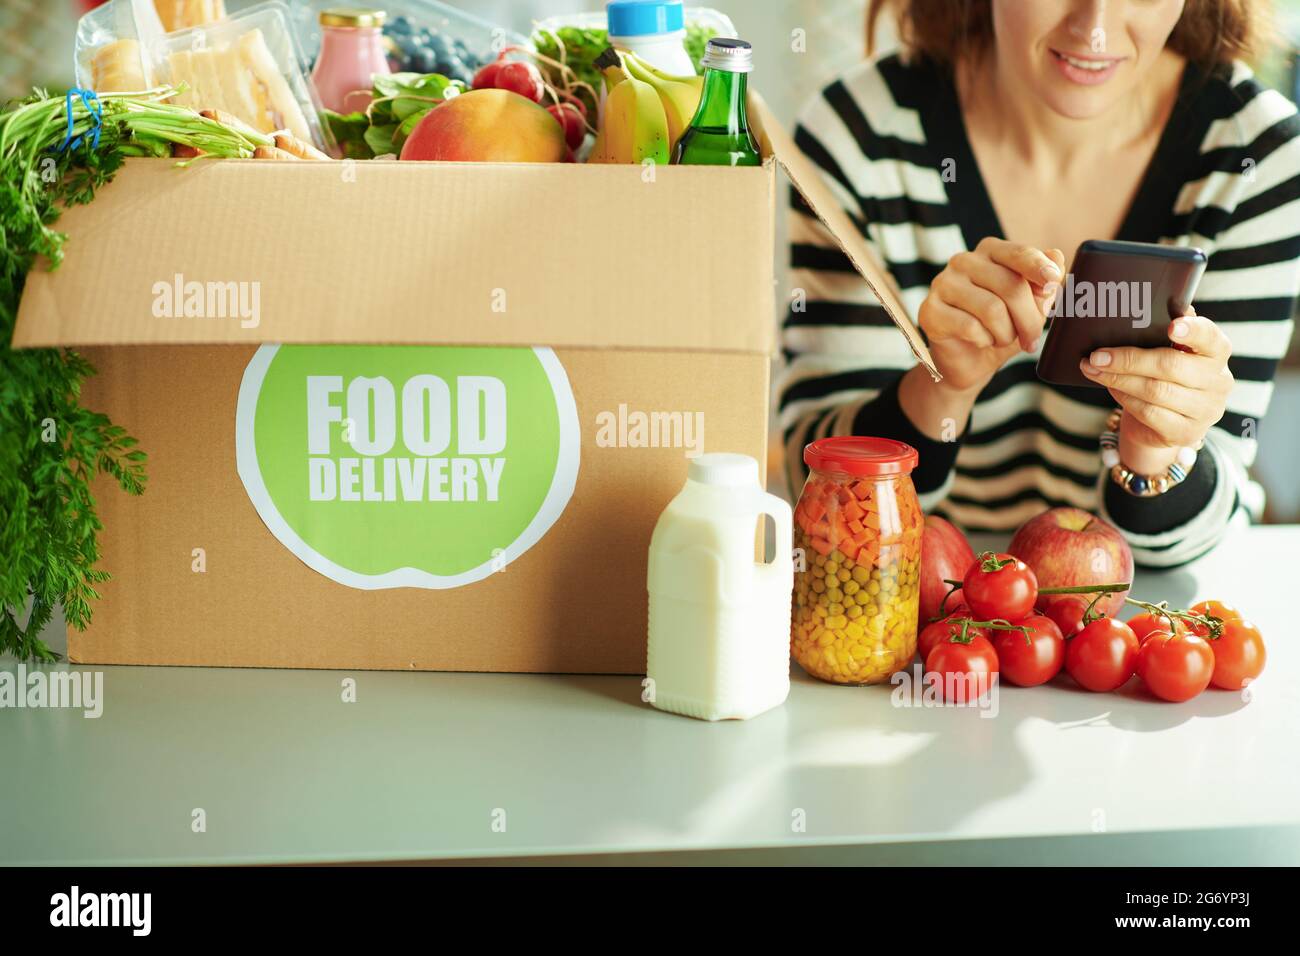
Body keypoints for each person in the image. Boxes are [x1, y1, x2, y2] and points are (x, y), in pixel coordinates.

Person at [779, 0, 1299, 566]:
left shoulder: (1257, 154)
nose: (1093, 30)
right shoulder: (859, 135)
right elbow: (818, 495)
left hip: (1134, 625)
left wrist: (1154, 450)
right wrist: (942, 386)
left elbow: (1197, 540)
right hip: (915, 611)